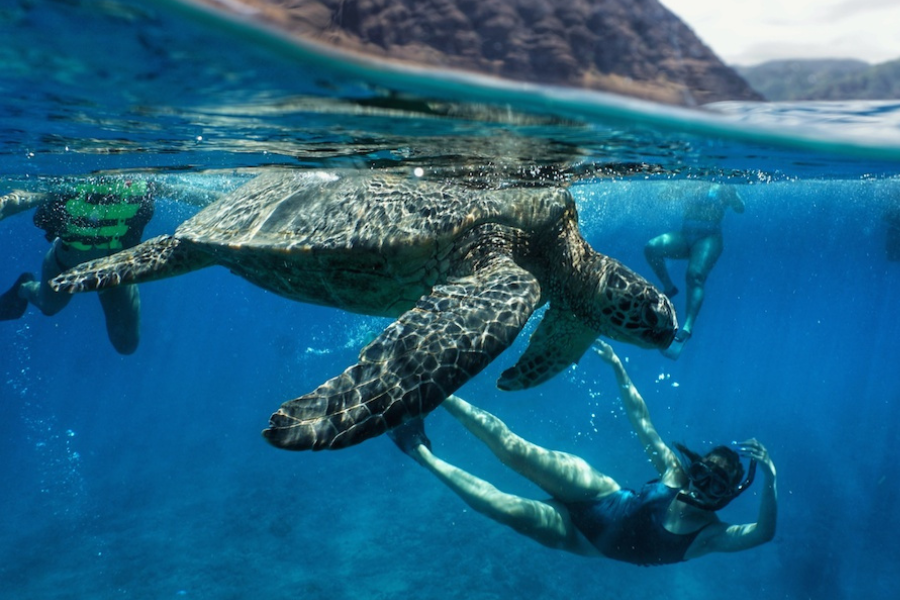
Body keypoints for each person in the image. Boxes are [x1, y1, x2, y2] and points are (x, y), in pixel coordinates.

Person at [389, 340, 776, 566]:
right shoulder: (676, 473)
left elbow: (762, 533)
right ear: (696, 466)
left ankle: (417, 448)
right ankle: (432, 385)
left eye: (717, 484)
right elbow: (642, 422)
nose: (705, 486)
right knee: (513, 450)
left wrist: (770, 481)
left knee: (503, 508)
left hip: (581, 538)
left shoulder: (710, 535)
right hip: (600, 493)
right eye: (704, 473)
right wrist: (619, 369)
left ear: (729, 493)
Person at [0, 176, 220, 354]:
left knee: (126, 343)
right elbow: (23, 198)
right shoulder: (75, 180)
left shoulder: (141, 182)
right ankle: (24, 288)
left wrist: (239, 203)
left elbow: (190, 192)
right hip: (63, 265)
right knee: (49, 307)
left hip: (116, 271)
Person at [644, 183, 745, 359]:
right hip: (685, 234)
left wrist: (732, 196)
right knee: (651, 248)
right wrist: (675, 189)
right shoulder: (690, 180)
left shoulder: (722, 184)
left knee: (695, 276)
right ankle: (669, 287)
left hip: (709, 237)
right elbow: (663, 198)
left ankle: (687, 328)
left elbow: (740, 209)